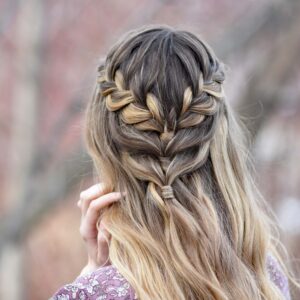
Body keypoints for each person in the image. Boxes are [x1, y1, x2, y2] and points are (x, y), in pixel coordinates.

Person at [50, 25, 297, 299]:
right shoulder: (265, 278)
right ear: (221, 147)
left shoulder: (90, 295)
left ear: (105, 146)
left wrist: (91, 278)